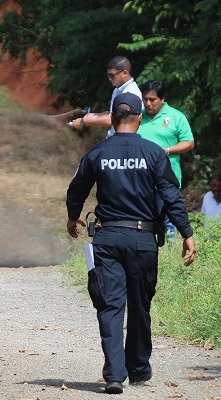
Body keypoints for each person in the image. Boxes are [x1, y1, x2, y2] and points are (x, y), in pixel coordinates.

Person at [66, 93, 196, 394]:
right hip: (142, 240)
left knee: (110, 305)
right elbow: (171, 196)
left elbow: (76, 189)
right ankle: (137, 367)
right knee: (140, 305)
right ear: (139, 118)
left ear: (112, 119)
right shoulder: (154, 153)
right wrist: (187, 233)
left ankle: (114, 374)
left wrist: (73, 218)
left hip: (108, 238)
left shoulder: (97, 153)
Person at [137, 80, 195, 238]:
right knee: (143, 219)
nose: (148, 103)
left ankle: (171, 255)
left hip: (167, 177)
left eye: (152, 99)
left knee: (169, 218)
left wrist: (167, 150)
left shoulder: (176, 116)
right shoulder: (138, 116)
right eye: (145, 99)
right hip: (141, 178)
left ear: (162, 99)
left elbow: (189, 142)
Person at [71, 56, 142, 138]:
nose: (109, 79)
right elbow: (112, 114)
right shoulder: (117, 90)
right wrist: (93, 115)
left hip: (124, 141)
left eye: (112, 75)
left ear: (125, 73)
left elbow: (113, 119)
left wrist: (84, 122)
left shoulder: (130, 93)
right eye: (108, 75)